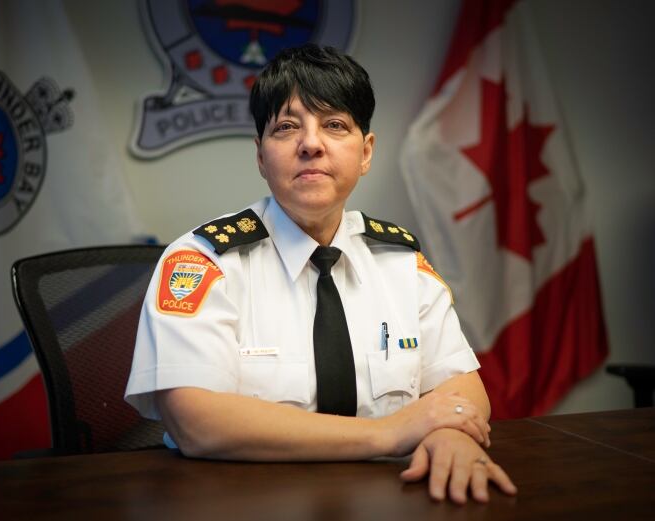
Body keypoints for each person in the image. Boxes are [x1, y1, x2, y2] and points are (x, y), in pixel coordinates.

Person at [125, 44, 516, 505]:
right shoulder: (202, 261)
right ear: (260, 156)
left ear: (366, 153)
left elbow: (460, 383)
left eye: (334, 125)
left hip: (389, 502)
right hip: (237, 503)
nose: (311, 144)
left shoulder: (400, 261)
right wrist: (392, 433)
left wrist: (453, 434)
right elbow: (196, 422)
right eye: (287, 127)